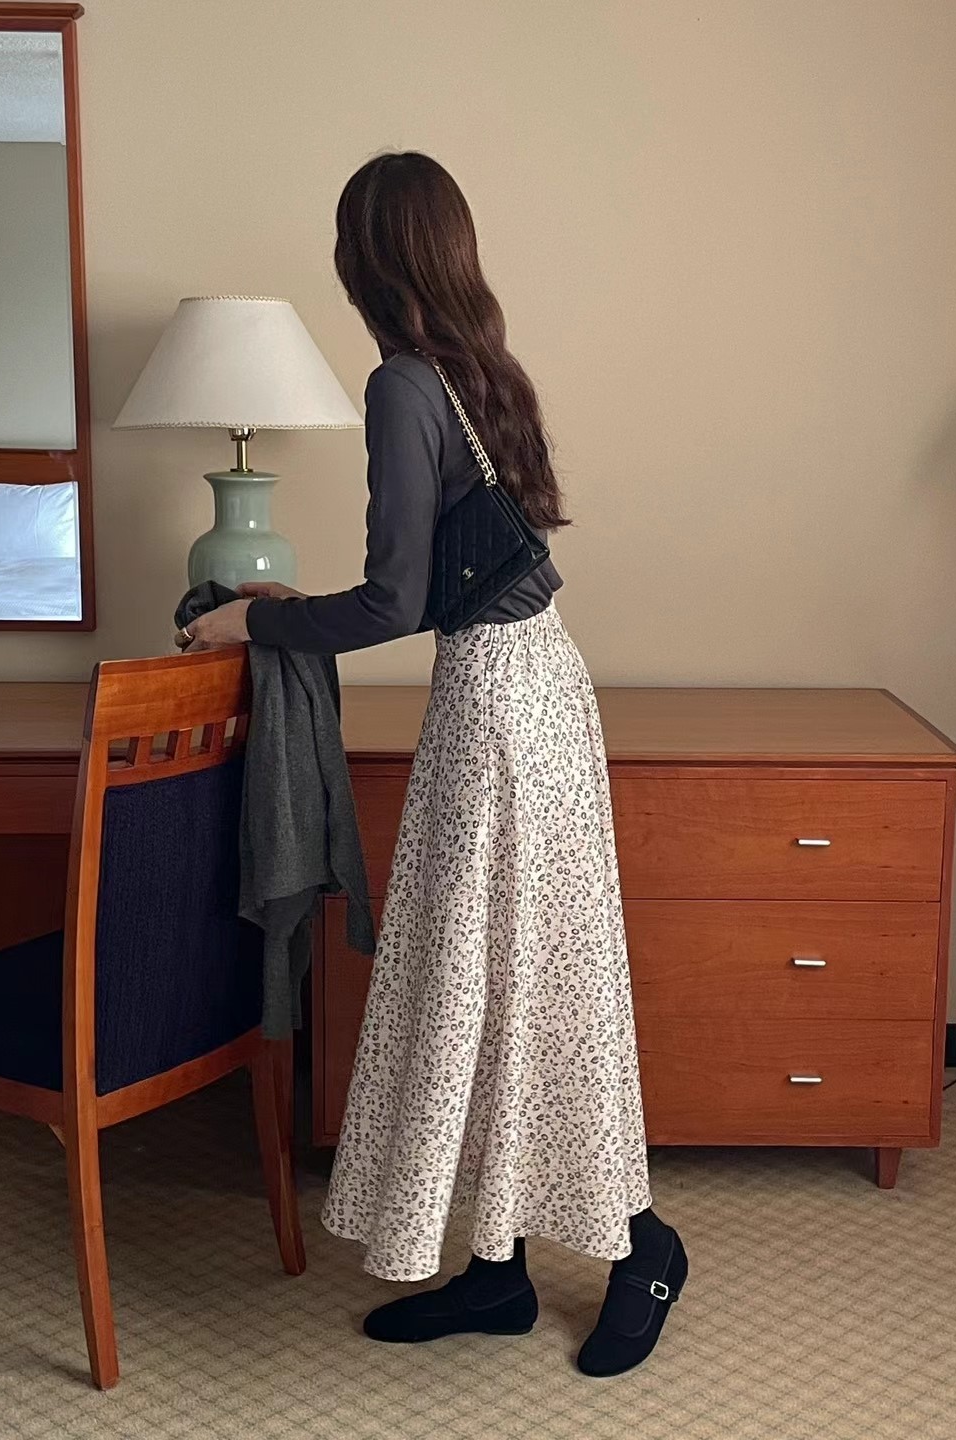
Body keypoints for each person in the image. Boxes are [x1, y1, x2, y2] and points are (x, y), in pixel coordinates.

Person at [182, 150, 688, 1378]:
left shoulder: (404, 382)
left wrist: (254, 621)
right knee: (522, 976)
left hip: (497, 711)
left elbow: (395, 601)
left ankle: (644, 1246)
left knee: (501, 979)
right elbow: (434, 581)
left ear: (363, 260)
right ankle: (499, 1273)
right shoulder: (480, 368)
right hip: (544, 683)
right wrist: (299, 612)